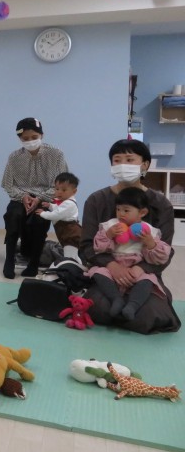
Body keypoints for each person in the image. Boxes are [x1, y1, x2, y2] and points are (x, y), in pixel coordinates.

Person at [80, 139, 180, 334]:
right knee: (98, 307)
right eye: (117, 160)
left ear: (145, 165)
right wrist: (113, 266)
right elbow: (86, 246)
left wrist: (140, 269)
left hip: (143, 275)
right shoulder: (96, 200)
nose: (122, 165)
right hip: (107, 271)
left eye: (129, 159)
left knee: (151, 315)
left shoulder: (161, 204)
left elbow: (166, 250)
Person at [86, 187, 170, 321]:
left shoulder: (148, 231)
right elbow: (98, 247)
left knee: (148, 279)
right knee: (99, 272)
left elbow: (162, 256)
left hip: (136, 266)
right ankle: (116, 299)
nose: (121, 214)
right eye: (118, 209)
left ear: (142, 212)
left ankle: (132, 305)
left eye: (126, 210)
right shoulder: (111, 225)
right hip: (114, 263)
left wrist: (150, 243)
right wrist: (109, 234)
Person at [1, 117, 68, 279]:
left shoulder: (56, 154)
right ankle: (9, 261)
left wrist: (39, 198)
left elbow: (61, 185)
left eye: (34, 137)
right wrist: (23, 196)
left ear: (42, 135)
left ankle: (34, 263)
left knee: (40, 219)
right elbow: (8, 184)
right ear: (20, 139)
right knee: (13, 216)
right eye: (25, 138)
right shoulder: (14, 157)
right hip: (20, 198)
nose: (30, 141)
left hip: (45, 198)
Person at [36, 172, 82, 260]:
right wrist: (50, 206)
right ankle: (78, 265)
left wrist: (43, 213)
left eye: (64, 190)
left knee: (69, 256)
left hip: (71, 235)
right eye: (57, 189)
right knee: (73, 255)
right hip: (67, 234)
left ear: (74, 191)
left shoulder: (69, 204)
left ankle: (72, 266)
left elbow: (56, 215)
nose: (59, 192)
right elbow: (59, 209)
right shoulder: (65, 202)